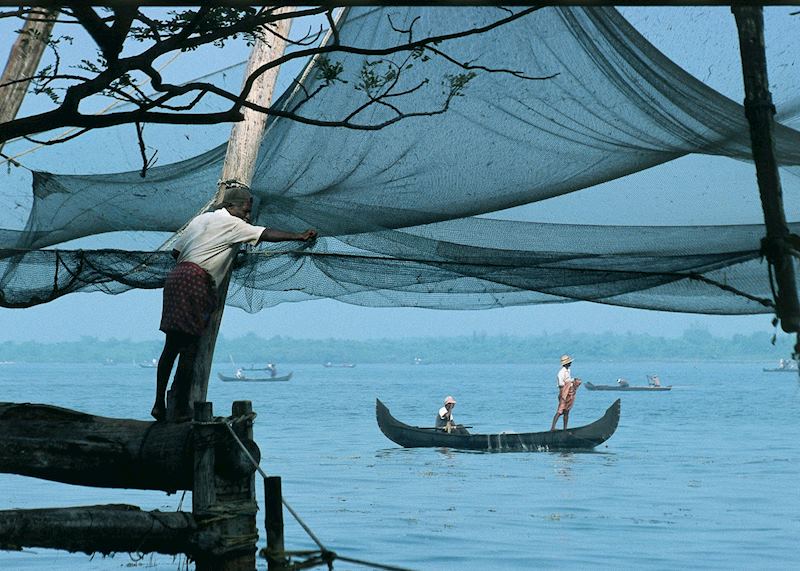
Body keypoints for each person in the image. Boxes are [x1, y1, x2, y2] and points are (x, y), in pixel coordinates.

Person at [151, 184, 317, 421]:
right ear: (231, 206)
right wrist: (298, 235)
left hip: (176, 278)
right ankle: (183, 410)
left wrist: (219, 251)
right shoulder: (233, 224)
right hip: (196, 281)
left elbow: (175, 253)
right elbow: (266, 233)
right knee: (190, 349)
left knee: (171, 347)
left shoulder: (201, 220)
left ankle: (159, 403)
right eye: (246, 211)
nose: (248, 217)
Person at [550, 354, 582, 431]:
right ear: (566, 363)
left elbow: (569, 380)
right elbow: (561, 384)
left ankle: (565, 429)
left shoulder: (568, 371)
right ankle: (553, 428)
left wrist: (573, 380)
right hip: (563, 392)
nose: (571, 363)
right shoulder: (561, 373)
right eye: (569, 362)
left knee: (566, 411)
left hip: (569, 392)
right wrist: (568, 384)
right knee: (560, 410)